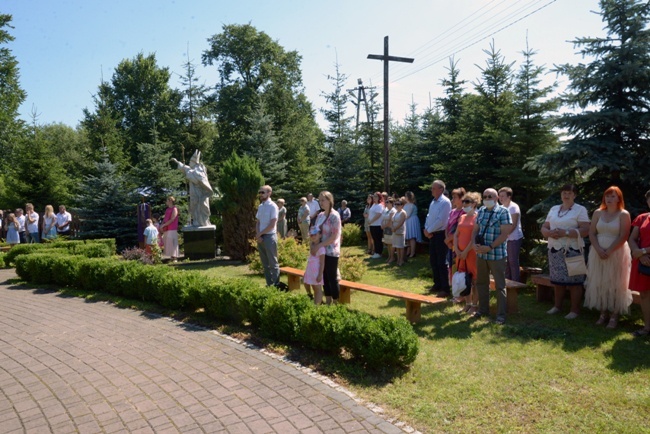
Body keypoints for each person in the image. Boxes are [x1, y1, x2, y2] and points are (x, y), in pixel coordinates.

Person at [584, 186, 632, 329]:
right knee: (600, 281)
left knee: (617, 284)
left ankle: (614, 315)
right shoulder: (598, 213)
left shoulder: (624, 214)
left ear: (619, 199)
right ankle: (603, 313)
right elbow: (592, 233)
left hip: (616, 252)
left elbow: (624, 235)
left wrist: (610, 250)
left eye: (613, 196)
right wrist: (599, 249)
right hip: (597, 252)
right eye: (607, 196)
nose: (609, 199)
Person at [541, 184, 590, 319]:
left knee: (575, 281)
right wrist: (548, 233)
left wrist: (566, 233)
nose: (566, 195)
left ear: (574, 195)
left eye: (569, 193)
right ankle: (557, 306)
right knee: (557, 280)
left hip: (572, 249)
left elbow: (586, 230)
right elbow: (544, 227)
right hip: (555, 249)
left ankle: (574, 310)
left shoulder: (580, 210)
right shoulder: (554, 209)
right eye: (564, 192)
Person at [472, 188, 513, 324]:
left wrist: (489, 247)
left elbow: (504, 234)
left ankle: (501, 315)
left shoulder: (503, 212)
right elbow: (475, 230)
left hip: (497, 255)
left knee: (500, 286)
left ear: (496, 198)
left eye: (490, 196)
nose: (487, 198)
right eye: (485, 196)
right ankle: (483, 310)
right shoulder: (481, 211)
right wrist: (474, 244)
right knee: (481, 282)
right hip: (481, 255)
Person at [627, 189, 650, 337]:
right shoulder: (642, 218)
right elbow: (632, 239)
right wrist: (639, 254)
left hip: (644, 256)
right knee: (644, 295)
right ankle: (647, 328)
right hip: (644, 263)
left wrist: (643, 251)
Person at [423, 180, 452, 297]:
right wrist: (426, 229)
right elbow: (429, 216)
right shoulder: (433, 202)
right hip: (432, 234)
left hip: (440, 234)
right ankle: (437, 284)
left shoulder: (445, 202)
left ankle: (445, 288)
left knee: (441, 262)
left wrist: (429, 230)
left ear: (441, 189)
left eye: (434, 188)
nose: (432, 190)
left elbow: (442, 220)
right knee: (433, 260)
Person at [454, 191, 481, 314]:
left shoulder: (478, 217)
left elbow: (474, 237)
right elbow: (456, 234)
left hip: (471, 253)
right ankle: (467, 304)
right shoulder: (462, 217)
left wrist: (465, 251)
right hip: (460, 254)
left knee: (474, 280)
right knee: (464, 279)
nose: (464, 204)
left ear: (475, 203)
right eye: (463, 202)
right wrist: (457, 249)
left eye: (467, 202)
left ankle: (475, 305)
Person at [171, 150, 213, 227]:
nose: (189, 163)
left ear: (194, 163)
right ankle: (196, 221)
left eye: (191, 162)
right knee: (194, 208)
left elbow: (203, 182)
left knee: (202, 208)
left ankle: (203, 222)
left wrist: (207, 192)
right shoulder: (191, 169)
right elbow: (184, 167)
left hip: (201, 194)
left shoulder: (198, 171)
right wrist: (176, 161)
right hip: (194, 193)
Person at [314, 191, 342, 304]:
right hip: (321, 251)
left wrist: (320, 244)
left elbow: (334, 236)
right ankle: (328, 300)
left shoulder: (335, 216)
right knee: (324, 277)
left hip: (331, 251)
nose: (321, 202)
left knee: (332, 277)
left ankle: (336, 302)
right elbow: (316, 230)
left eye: (323, 200)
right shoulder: (320, 215)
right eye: (319, 200)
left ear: (330, 201)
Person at [498, 187, 524, 282]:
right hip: (504, 238)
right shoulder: (501, 208)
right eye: (499, 196)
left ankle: (515, 283)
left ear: (509, 197)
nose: (501, 198)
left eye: (503, 196)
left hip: (514, 238)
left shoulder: (513, 207)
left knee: (512, 261)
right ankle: (507, 282)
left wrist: (503, 235)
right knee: (506, 262)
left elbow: (513, 225)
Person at [256, 185, 280, 287]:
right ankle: (269, 284)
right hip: (261, 238)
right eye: (260, 192)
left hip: (270, 237)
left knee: (273, 263)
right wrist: (258, 235)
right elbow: (258, 222)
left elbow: (272, 224)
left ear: (269, 193)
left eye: (263, 192)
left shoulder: (273, 206)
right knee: (265, 264)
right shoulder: (260, 206)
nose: (260, 194)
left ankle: (276, 285)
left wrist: (260, 234)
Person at [445, 188, 466, 283]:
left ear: (461, 199)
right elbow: (447, 226)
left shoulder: (464, 212)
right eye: (452, 197)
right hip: (450, 244)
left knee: (457, 265)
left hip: (458, 244)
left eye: (455, 197)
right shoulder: (452, 211)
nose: (452, 199)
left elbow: (459, 229)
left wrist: (449, 239)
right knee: (450, 264)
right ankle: (453, 287)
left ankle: (459, 289)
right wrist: (447, 239)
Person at [303, 226, 326, 304]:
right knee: (313, 286)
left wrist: (320, 274)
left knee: (318, 288)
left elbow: (322, 262)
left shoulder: (321, 248)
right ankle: (316, 301)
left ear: (320, 235)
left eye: (315, 234)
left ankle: (317, 306)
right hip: (310, 269)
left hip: (316, 270)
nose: (313, 236)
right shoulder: (312, 244)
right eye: (311, 235)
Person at [404, 191, 422, 258]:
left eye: (406, 196)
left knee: (411, 237)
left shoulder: (411, 205)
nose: (405, 197)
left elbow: (407, 215)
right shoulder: (406, 205)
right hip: (407, 221)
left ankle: (413, 252)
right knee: (408, 238)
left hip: (411, 221)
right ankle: (408, 252)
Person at [367, 192, 385, 259]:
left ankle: (379, 253)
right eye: (374, 196)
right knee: (374, 239)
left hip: (377, 225)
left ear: (379, 198)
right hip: (372, 225)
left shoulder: (380, 206)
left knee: (378, 239)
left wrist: (371, 221)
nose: (374, 198)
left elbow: (378, 215)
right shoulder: (374, 205)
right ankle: (376, 252)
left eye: (376, 196)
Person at [392, 198, 408, 266]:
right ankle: (398, 259)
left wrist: (395, 228)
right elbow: (392, 220)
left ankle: (401, 260)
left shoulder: (403, 212)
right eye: (396, 204)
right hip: (394, 231)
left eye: (398, 204)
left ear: (402, 205)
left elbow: (401, 222)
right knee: (397, 246)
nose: (396, 205)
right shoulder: (395, 212)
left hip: (400, 230)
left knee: (401, 246)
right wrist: (392, 228)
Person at [382, 198, 397, 264]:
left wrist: (384, 226)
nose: (386, 204)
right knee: (388, 243)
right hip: (386, 228)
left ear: (391, 203)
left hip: (390, 228)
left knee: (391, 243)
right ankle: (389, 256)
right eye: (386, 202)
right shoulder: (387, 210)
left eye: (388, 202)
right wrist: (382, 225)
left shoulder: (393, 210)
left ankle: (392, 257)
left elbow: (390, 221)